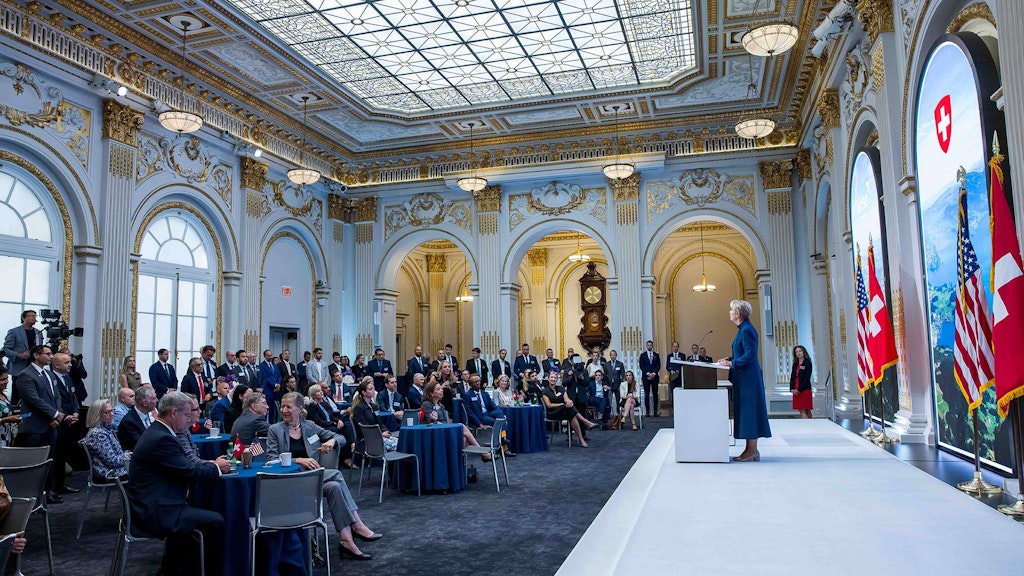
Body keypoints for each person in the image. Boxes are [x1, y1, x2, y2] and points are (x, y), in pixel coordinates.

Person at [267, 392, 382, 561]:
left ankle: (346, 540)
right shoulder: (275, 430)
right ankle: (357, 524)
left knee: (334, 487)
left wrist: (331, 442)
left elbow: (340, 437)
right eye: (283, 406)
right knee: (336, 474)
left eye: (288, 407)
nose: (283, 410)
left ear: (300, 409)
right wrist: (299, 460)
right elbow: (271, 460)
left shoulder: (310, 427)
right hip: (289, 481)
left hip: (312, 479)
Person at [127, 391, 229, 576]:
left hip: (155, 502)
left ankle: (174, 569)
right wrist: (217, 468)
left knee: (195, 512)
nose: (189, 419)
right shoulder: (162, 438)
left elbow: (184, 467)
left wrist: (212, 465)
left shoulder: (158, 432)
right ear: (174, 413)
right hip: (155, 511)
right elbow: (189, 471)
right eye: (187, 414)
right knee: (216, 521)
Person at [718, 300, 771, 462]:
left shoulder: (747, 330)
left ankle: (752, 451)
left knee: (750, 413)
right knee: (746, 412)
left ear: (738, 314)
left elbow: (750, 355)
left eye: (731, 310)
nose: (729, 312)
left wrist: (732, 363)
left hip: (749, 379)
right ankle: (750, 449)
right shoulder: (743, 330)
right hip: (744, 378)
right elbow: (743, 352)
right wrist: (730, 358)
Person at [14, 345, 66, 502]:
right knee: (34, 462)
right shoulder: (26, 375)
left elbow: (56, 396)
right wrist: (54, 414)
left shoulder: (49, 374)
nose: (51, 357)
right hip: (35, 426)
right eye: (48, 354)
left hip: (51, 424)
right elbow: (33, 400)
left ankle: (48, 491)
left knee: (50, 459)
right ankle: (31, 494)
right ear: (36, 355)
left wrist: (57, 415)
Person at [420, 381, 488, 455]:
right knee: (462, 426)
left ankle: (456, 463)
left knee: (464, 439)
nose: (442, 390)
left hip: (445, 428)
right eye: (438, 389)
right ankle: (482, 452)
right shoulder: (426, 404)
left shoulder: (440, 404)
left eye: (441, 388)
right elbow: (430, 422)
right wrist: (447, 425)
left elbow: (446, 420)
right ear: (431, 393)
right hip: (437, 432)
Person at [541, 371, 596, 448]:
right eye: (551, 377)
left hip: (564, 411)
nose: (553, 379)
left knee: (570, 410)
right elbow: (549, 405)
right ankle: (585, 424)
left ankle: (581, 438)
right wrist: (562, 404)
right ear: (548, 379)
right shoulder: (545, 391)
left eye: (555, 378)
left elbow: (566, 399)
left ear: (557, 379)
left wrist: (569, 402)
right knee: (568, 408)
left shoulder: (561, 389)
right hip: (553, 413)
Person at [82, 399, 131, 481]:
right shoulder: (97, 434)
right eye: (106, 412)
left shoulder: (107, 429)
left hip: (115, 469)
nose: (111, 414)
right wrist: (130, 455)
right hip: (109, 473)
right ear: (97, 415)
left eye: (112, 411)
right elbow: (112, 461)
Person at [3, 310, 43, 404]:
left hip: (34, 367)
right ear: (23, 318)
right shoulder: (14, 332)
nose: (34, 318)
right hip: (19, 368)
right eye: (31, 316)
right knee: (17, 394)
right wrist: (19, 355)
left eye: (35, 316)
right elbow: (5, 349)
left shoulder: (38, 333)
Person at [351, 380, 398, 452]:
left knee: (401, 443)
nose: (373, 391)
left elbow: (380, 423)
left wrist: (386, 431)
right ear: (364, 392)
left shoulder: (374, 406)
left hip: (379, 436)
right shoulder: (359, 408)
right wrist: (381, 434)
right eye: (370, 389)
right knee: (396, 446)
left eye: (373, 388)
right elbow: (364, 428)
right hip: (368, 440)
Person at [118, 385, 156, 452]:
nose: (157, 400)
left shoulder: (146, 415)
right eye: (154, 399)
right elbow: (141, 446)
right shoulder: (129, 422)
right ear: (145, 403)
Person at [638, 340, 661, 416]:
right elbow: (642, 366)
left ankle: (655, 412)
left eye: (650, 345)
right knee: (646, 394)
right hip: (646, 377)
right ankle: (647, 412)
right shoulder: (643, 355)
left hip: (655, 377)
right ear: (646, 346)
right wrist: (648, 373)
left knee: (655, 394)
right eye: (648, 345)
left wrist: (654, 373)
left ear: (652, 346)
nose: (649, 346)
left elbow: (658, 366)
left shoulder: (656, 355)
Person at [790, 345, 813, 419]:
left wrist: (799, 390)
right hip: (796, 389)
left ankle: (807, 427)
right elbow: (792, 377)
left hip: (804, 389)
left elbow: (807, 378)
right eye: (796, 352)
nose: (798, 353)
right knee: (802, 410)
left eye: (800, 351)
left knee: (806, 409)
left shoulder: (807, 363)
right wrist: (792, 388)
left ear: (803, 352)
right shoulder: (795, 363)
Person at [0, 366, 21, 446]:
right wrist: (6, 419)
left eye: (7, 378)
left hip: (6, 438)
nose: (6, 381)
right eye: (2, 380)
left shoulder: (3, 396)